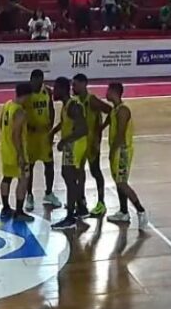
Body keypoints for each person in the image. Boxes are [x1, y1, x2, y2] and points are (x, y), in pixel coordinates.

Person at [102, 83, 148, 228]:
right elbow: (109, 120)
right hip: (117, 150)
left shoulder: (123, 111)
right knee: (118, 182)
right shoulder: (115, 110)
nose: (106, 93)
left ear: (114, 92)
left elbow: (121, 134)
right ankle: (123, 212)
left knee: (122, 183)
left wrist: (112, 152)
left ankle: (141, 211)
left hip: (122, 151)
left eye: (108, 91)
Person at [72, 74, 112, 217]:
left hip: (91, 144)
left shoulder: (92, 100)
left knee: (95, 172)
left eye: (75, 85)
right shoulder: (75, 101)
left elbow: (111, 111)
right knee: (79, 173)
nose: (73, 87)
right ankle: (81, 201)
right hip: (79, 143)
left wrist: (100, 130)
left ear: (84, 84)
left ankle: (101, 203)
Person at [50, 77, 88, 231]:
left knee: (69, 178)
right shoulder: (67, 106)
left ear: (62, 90)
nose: (53, 91)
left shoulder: (73, 106)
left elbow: (82, 129)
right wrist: (53, 131)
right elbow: (66, 123)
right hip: (73, 144)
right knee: (72, 178)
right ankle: (81, 208)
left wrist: (64, 141)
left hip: (75, 145)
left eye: (55, 88)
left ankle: (70, 217)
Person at [23, 70, 61, 211]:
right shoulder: (26, 93)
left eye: (40, 81)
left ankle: (49, 193)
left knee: (49, 165)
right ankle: (29, 195)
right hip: (31, 137)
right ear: (31, 80)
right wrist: (27, 126)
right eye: (36, 81)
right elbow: (21, 112)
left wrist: (51, 127)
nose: (38, 84)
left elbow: (51, 108)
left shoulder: (47, 91)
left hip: (44, 135)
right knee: (30, 167)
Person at [0, 82, 34, 223]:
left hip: (5, 149)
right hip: (17, 151)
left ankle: (6, 207)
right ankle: (19, 211)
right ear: (27, 95)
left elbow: (0, 124)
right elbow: (16, 135)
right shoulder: (20, 111)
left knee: (6, 178)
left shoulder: (7, 104)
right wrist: (20, 154)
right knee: (23, 180)